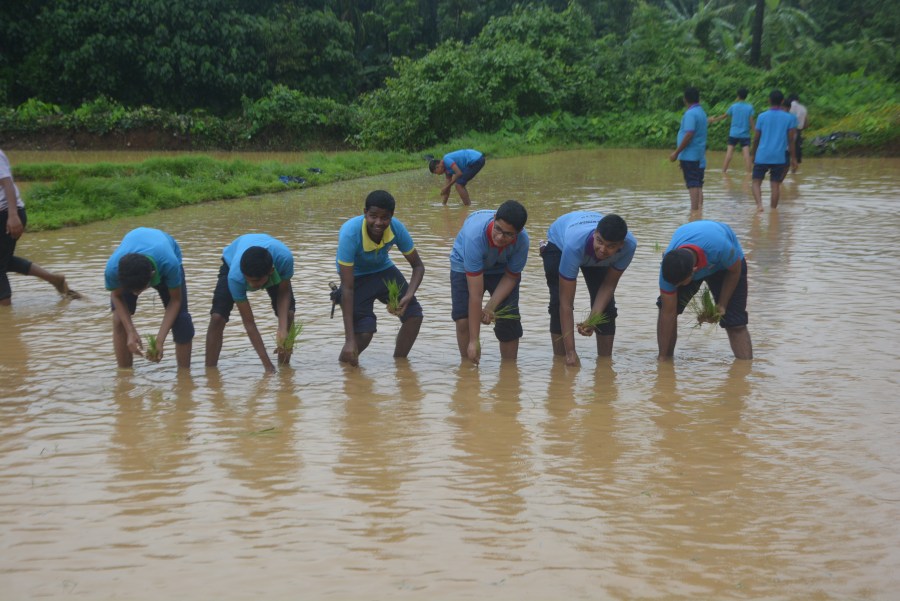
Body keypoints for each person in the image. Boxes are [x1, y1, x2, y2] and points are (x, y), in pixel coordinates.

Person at [334, 190, 425, 366]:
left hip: (383, 269)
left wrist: (409, 295)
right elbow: (347, 287)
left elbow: (418, 266)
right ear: (364, 213)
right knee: (364, 332)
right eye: (373, 216)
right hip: (356, 276)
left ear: (391, 216)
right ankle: (346, 369)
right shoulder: (350, 234)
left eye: (385, 218)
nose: (378, 222)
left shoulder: (396, 228)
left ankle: (400, 366)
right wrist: (349, 340)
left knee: (414, 315)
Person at [542, 211, 637, 366]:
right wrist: (571, 351)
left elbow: (608, 285)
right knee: (558, 303)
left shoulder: (629, 246)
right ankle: (561, 362)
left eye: (610, 246)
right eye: (599, 241)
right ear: (595, 234)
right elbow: (566, 304)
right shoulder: (574, 245)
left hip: (588, 250)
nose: (603, 249)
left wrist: (592, 319)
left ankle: (605, 364)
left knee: (606, 308)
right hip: (559, 244)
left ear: (621, 245)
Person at [656, 220, 752, 361]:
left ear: (694, 271)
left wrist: (722, 304)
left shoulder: (721, 247)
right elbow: (667, 313)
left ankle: (744, 372)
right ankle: (666, 357)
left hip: (726, 266)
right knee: (667, 308)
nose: (676, 287)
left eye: (680, 283)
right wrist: (662, 363)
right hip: (691, 259)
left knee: (735, 323)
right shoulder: (669, 269)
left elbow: (735, 270)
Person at [450, 200, 529, 364]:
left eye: (508, 234)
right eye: (498, 229)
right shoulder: (475, 236)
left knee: (509, 320)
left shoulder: (522, 241)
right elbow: (475, 294)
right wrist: (474, 340)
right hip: (464, 264)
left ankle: (509, 373)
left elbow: (511, 276)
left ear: (519, 232)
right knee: (463, 319)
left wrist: (490, 307)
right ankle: (468, 367)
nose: (500, 237)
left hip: (501, 268)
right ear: (494, 218)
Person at [205, 233, 296, 374]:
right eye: (248, 280)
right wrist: (267, 366)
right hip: (232, 262)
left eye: (256, 282)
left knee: (288, 315)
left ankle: (285, 371)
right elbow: (249, 323)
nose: (251, 285)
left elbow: (284, 294)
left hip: (271, 261)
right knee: (217, 317)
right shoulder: (236, 277)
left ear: (271, 272)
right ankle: (210, 374)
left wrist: (282, 328)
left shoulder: (284, 259)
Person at [105, 227, 194, 369]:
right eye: (131, 290)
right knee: (118, 320)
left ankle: (184, 378)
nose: (135, 295)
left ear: (152, 277)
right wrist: (131, 331)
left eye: (139, 290)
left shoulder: (169, 263)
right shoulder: (113, 269)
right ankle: (125, 376)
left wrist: (159, 340)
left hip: (163, 256)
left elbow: (176, 301)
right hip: (132, 266)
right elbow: (116, 295)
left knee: (182, 320)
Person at [1, 149, 79, 305]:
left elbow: (7, 183)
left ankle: (4, 310)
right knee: (5, 260)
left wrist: (13, 215)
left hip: (6, 214)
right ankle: (54, 279)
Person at [750, 89, 797, 211]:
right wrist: (794, 159)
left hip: (762, 155)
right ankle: (773, 210)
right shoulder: (789, 118)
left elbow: (756, 138)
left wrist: (752, 154)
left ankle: (759, 205)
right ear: (782, 101)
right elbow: (791, 140)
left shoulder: (761, 117)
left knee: (756, 182)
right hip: (779, 157)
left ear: (769, 100)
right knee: (775, 185)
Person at [669, 87, 708, 212]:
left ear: (685, 100)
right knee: (698, 183)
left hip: (690, 155)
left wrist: (677, 152)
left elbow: (689, 134)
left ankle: (694, 211)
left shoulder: (690, 114)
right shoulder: (701, 112)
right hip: (699, 154)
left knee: (692, 183)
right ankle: (699, 211)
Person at [708, 87, 755, 173]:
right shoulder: (750, 107)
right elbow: (751, 121)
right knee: (746, 155)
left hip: (733, 134)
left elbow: (724, 116)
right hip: (745, 135)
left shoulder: (733, 106)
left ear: (738, 96)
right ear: (746, 96)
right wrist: (755, 132)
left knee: (729, 154)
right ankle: (749, 174)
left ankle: (723, 172)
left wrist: (713, 120)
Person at [787, 94, 808, 171]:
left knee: (787, 151)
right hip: (798, 131)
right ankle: (794, 172)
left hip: (788, 131)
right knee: (796, 151)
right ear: (798, 100)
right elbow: (806, 124)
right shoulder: (803, 108)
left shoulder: (787, 106)